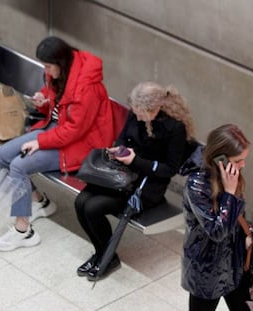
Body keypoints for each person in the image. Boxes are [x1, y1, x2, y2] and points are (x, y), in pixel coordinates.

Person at [0, 36, 116, 252]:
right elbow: (56, 99)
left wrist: (40, 141)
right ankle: (40, 202)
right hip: (56, 130)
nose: (46, 70)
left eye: (48, 66)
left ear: (61, 62)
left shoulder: (87, 87)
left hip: (81, 145)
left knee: (19, 166)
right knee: (2, 155)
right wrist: (44, 100)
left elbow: (75, 130)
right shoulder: (61, 73)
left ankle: (24, 231)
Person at [75, 81, 195, 281]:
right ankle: (101, 253)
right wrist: (119, 150)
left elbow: (169, 169)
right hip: (121, 175)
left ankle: (107, 257)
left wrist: (135, 160)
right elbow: (122, 138)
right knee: (80, 202)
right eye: (135, 111)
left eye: (140, 113)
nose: (137, 116)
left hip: (146, 187)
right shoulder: (136, 113)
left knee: (92, 208)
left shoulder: (174, 128)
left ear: (154, 108)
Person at [180, 123, 251, 311]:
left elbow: (238, 215)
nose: (243, 165)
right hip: (207, 268)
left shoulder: (229, 176)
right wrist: (229, 193)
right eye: (238, 160)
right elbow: (217, 231)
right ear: (220, 159)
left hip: (234, 260)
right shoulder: (197, 185)